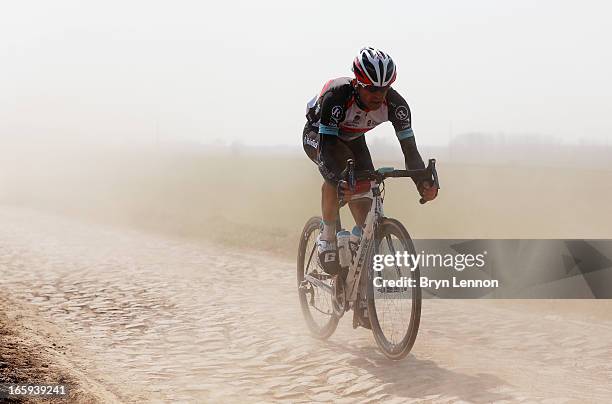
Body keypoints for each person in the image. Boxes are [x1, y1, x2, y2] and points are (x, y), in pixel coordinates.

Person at [303, 47, 438, 274]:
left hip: (354, 138)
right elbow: (328, 150)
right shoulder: (337, 96)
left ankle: (359, 284)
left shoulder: (397, 106)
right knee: (342, 175)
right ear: (358, 84)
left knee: (365, 212)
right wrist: (340, 181)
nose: (379, 95)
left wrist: (422, 181)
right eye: (372, 89)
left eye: (384, 89)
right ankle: (327, 237)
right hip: (321, 136)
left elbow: (410, 152)